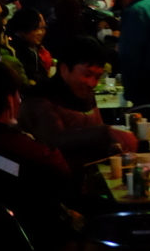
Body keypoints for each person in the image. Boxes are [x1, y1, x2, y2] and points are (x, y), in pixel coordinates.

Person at [0, 61, 80, 251]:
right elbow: (62, 173)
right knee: (124, 246)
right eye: (17, 94)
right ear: (9, 101)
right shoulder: (9, 145)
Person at [19, 35, 135, 169]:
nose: (92, 83)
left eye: (97, 77)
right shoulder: (39, 98)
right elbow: (54, 141)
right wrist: (105, 132)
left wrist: (114, 146)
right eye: (87, 75)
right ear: (64, 69)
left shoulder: (86, 92)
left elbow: (93, 138)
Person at [6, 7, 51, 86]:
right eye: (36, 28)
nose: (41, 32)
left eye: (43, 28)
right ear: (24, 28)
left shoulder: (31, 47)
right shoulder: (14, 50)